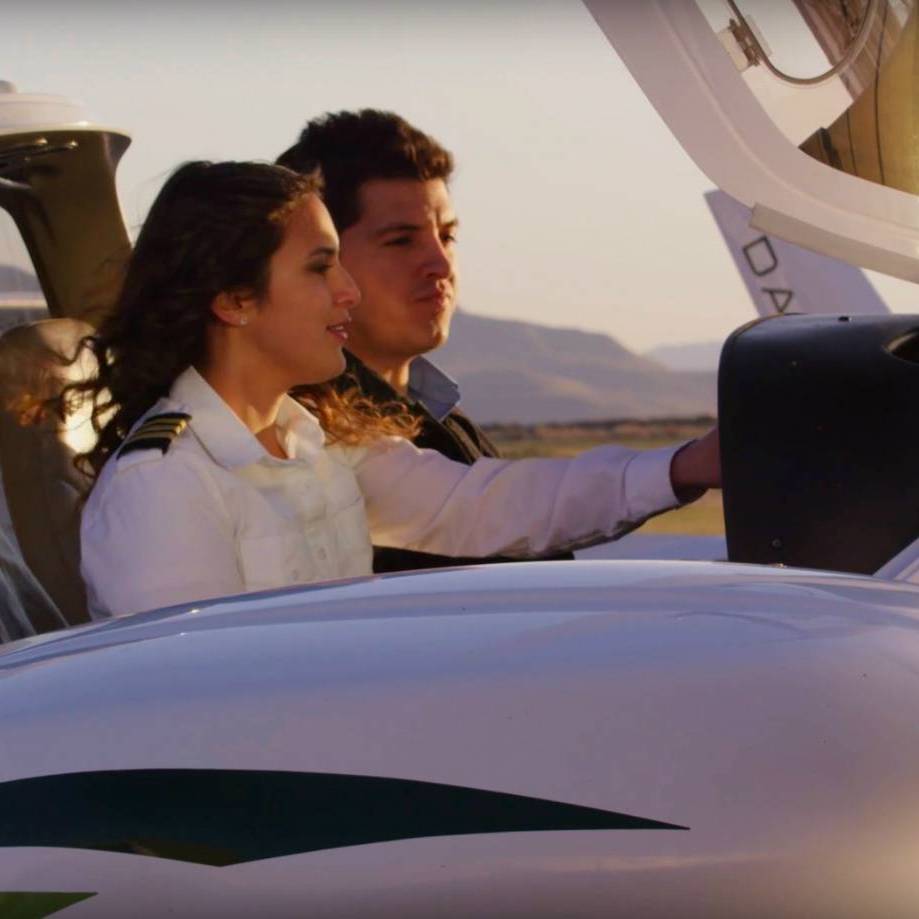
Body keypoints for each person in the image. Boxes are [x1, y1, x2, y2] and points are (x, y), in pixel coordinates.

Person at [76, 160, 715, 619]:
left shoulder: (316, 443)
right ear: (235, 299)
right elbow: (184, 711)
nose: (348, 291)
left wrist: (683, 467)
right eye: (321, 267)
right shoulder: (163, 484)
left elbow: (484, 507)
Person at [276, 110, 720, 573]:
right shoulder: (297, 430)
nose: (440, 265)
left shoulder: (443, 416)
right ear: (321, 261)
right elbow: (486, 509)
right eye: (401, 241)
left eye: (447, 236)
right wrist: (685, 466)